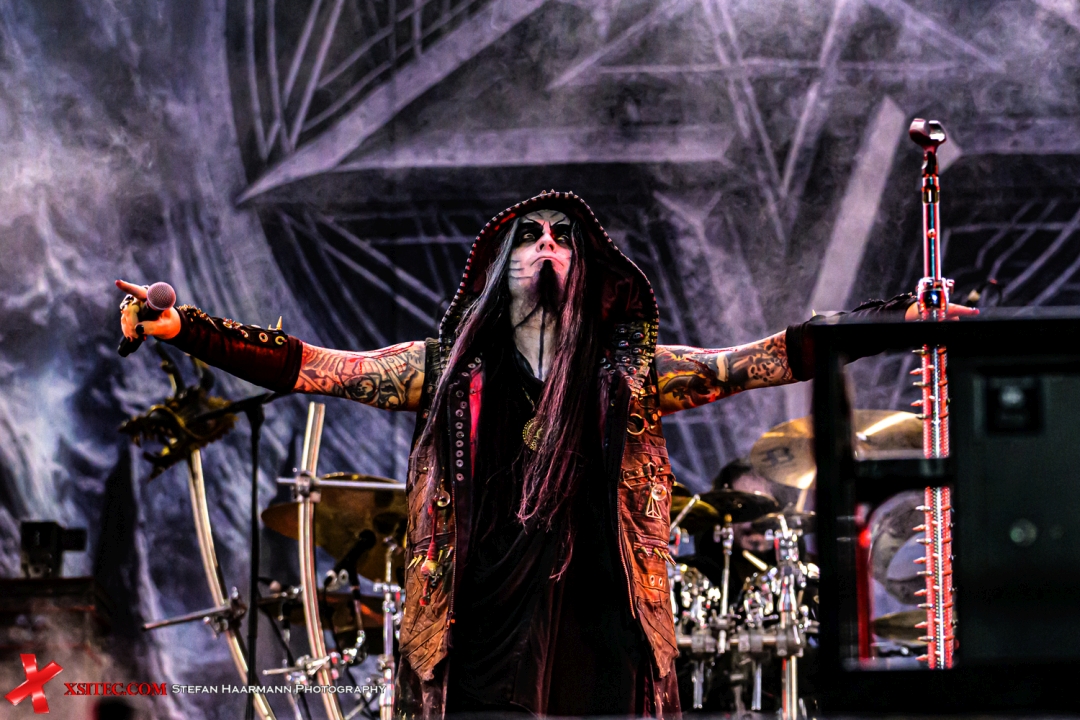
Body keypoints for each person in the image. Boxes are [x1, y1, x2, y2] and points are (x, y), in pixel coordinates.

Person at [116, 190, 974, 718]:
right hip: (480, 635)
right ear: (502, 265)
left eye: (565, 237)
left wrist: (887, 322)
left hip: (602, 633)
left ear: (588, 269)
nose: (548, 247)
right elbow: (315, 366)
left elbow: (759, 359)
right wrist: (188, 329)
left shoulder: (631, 374)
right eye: (530, 236)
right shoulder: (444, 371)